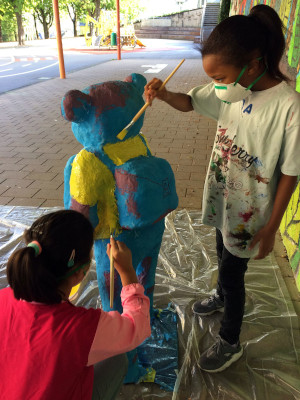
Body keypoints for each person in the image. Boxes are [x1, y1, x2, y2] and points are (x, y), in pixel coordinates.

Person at [144, 4, 300, 373]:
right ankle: (220, 294)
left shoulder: (288, 107)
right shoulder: (233, 90)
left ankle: (230, 341)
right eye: (212, 78)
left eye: (222, 77)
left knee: (234, 272)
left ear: (255, 61)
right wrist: (165, 95)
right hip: (222, 197)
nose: (217, 86)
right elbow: (189, 103)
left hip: (252, 213)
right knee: (221, 249)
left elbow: (291, 173)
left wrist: (272, 225)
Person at [0, 210, 150, 399]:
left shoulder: (3, 298)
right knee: (116, 359)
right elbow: (137, 327)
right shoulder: (82, 328)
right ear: (81, 272)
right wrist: (127, 271)